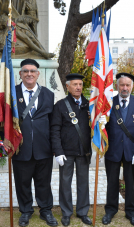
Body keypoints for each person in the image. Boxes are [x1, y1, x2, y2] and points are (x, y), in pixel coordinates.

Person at [12, 59, 58, 227]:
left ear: (38, 74)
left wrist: (55, 147)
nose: (29, 74)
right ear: (20, 74)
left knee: (44, 182)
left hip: (43, 148)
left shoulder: (48, 94)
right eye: (26, 71)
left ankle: (45, 210)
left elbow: (53, 123)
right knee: (22, 182)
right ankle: (25, 211)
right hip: (20, 148)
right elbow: (6, 122)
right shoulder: (12, 93)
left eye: (32, 71)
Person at [101, 73, 134, 226]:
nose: (125, 88)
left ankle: (131, 213)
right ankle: (110, 210)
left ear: (132, 87)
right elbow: (104, 129)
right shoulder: (108, 102)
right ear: (117, 86)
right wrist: (100, 125)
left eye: (128, 85)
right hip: (112, 150)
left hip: (132, 151)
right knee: (112, 182)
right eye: (122, 85)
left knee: (130, 184)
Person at [50, 73, 92, 226]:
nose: (78, 87)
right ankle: (66, 213)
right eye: (75, 84)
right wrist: (58, 151)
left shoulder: (89, 104)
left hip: (84, 151)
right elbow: (55, 130)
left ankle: (82, 212)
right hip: (66, 152)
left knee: (83, 184)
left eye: (80, 84)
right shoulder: (60, 105)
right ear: (67, 86)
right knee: (65, 184)